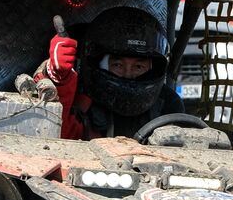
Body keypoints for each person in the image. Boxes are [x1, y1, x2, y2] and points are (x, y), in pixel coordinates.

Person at [38, 7, 184, 140]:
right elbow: (56, 136)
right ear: (101, 64)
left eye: (138, 67)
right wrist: (60, 79)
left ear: (152, 68)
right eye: (118, 65)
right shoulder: (82, 100)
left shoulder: (168, 104)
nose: (128, 74)